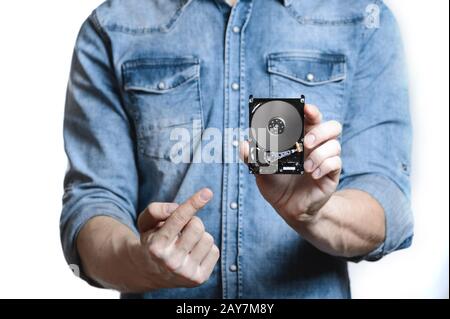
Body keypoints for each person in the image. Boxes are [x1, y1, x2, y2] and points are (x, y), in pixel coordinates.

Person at [61, 0, 413, 298]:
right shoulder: (114, 26)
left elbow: (387, 201)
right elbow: (93, 201)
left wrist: (315, 214)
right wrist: (142, 262)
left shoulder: (363, 17)